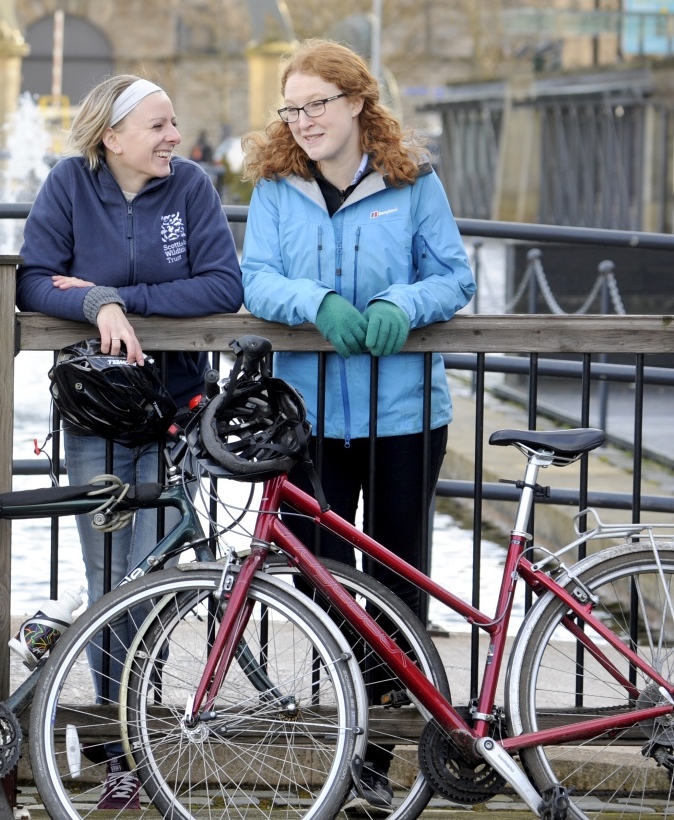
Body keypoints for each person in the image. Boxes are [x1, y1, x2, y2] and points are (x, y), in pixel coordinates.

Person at [238, 38, 475, 813]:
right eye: (292, 107)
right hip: (308, 417)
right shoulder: (277, 186)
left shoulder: (414, 182)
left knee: (397, 583)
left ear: (356, 104)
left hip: (403, 414)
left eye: (318, 104)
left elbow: (453, 276)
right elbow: (257, 278)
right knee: (328, 585)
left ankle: (378, 755)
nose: (304, 120)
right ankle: (347, 737)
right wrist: (317, 305)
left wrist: (398, 305)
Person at [16, 74, 243, 810]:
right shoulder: (67, 185)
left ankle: (136, 740)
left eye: (174, 124)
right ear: (112, 136)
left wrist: (127, 303)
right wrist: (92, 300)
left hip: (175, 411)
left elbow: (220, 285)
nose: (174, 138)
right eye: (159, 125)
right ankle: (117, 750)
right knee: (111, 584)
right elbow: (29, 281)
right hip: (95, 416)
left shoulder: (192, 189)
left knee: (155, 588)